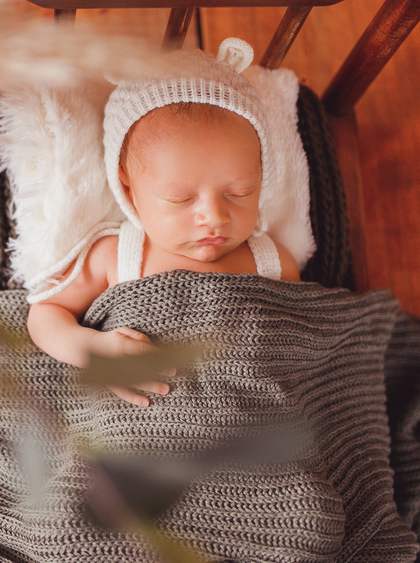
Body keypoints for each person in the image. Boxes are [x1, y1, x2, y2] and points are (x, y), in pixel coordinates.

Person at [26, 39, 302, 406]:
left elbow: (301, 342)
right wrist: (94, 349)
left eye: (239, 193)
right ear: (129, 187)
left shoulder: (274, 262)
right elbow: (46, 313)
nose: (214, 217)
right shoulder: (117, 256)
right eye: (181, 199)